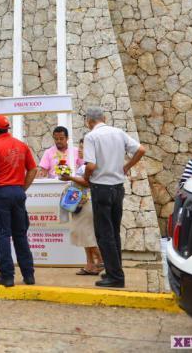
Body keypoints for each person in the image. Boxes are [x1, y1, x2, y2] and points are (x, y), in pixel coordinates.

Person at [83, 107, 146, 288]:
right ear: (104, 118)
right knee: (114, 232)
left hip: (101, 188)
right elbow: (141, 149)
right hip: (118, 188)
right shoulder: (118, 132)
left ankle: (116, 276)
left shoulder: (91, 137)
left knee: (104, 233)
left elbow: (91, 165)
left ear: (89, 121)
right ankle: (114, 271)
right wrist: (126, 167)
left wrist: (87, 178)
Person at [0, 115, 38, 287]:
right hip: (17, 193)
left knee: (2, 235)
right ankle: (28, 275)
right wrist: (21, 189)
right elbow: (33, 169)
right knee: (20, 235)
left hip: (0, 194)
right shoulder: (22, 146)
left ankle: (7, 276)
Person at [59, 139, 103, 276]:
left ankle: (101, 261)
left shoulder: (91, 166)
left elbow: (86, 182)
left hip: (87, 203)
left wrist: (70, 178)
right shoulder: (84, 165)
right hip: (81, 202)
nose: (79, 150)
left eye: (82, 148)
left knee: (88, 235)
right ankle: (90, 264)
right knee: (84, 235)